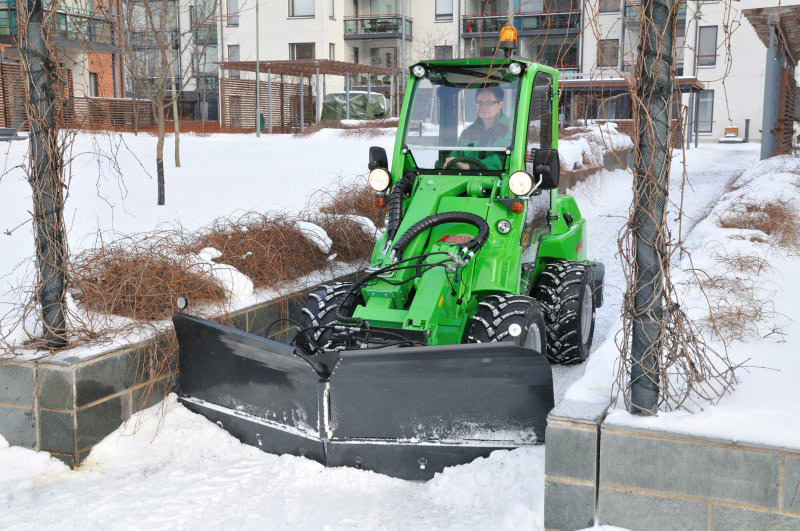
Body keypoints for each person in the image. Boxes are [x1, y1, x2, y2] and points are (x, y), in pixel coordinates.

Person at [444, 85, 512, 170]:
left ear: (501, 104)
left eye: (489, 103)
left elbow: (501, 161)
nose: (483, 107)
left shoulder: (510, 130)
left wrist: (469, 166)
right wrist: (451, 163)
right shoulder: (468, 132)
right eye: (479, 103)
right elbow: (455, 156)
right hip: (465, 177)